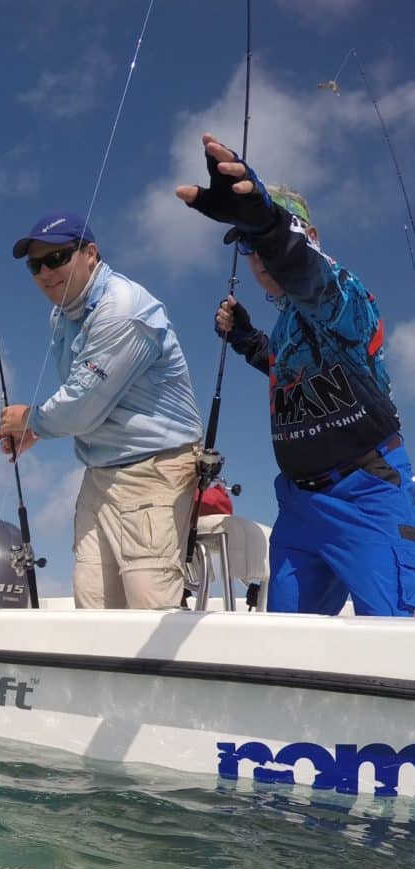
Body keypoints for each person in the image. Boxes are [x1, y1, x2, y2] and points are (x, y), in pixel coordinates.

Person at [177, 133, 415, 616]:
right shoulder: (286, 325)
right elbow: (285, 369)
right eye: (248, 245)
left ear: (308, 237)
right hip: (298, 508)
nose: (258, 258)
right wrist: (246, 337)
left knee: (395, 643)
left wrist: (268, 226)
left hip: (367, 496)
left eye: (266, 242)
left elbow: (311, 277)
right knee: (284, 645)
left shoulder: (345, 295)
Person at [0, 211, 203, 610]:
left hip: (152, 473)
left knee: (150, 610)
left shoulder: (122, 309)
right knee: (92, 607)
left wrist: (30, 421)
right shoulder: (62, 315)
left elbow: (82, 406)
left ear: (91, 253)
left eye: (56, 258)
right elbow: (87, 395)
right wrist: (36, 430)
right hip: (99, 476)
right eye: (35, 265)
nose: (45, 272)